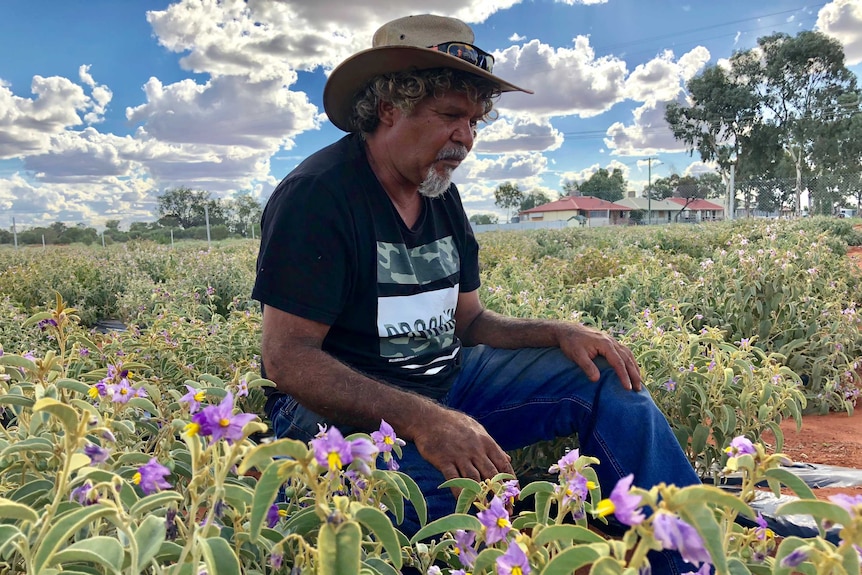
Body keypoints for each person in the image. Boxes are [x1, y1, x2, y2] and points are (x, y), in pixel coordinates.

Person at [253, 14, 702, 574]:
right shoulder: (317, 196)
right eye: (450, 116)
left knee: (602, 375)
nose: (465, 137)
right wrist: (424, 421)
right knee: (465, 522)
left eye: (473, 121)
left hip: (449, 384)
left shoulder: (439, 192)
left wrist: (560, 332)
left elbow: (470, 323)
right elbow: (288, 358)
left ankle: (685, 547)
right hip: (343, 422)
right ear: (389, 108)